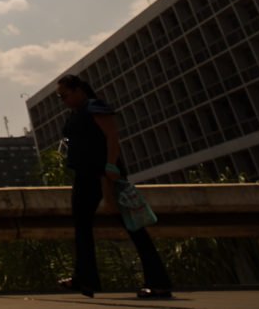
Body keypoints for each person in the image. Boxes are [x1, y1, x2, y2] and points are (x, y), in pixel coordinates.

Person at [55, 74, 172, 300]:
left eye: (65, 95)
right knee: (81, 225)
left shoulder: (94, 107)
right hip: (85, 174)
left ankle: (158, 283)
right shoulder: (77, 113)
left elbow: (112, 137)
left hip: (104, 174)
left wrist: (110, 166)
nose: (64, 101)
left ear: (78, 89)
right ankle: (84, 278)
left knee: (133, 226)